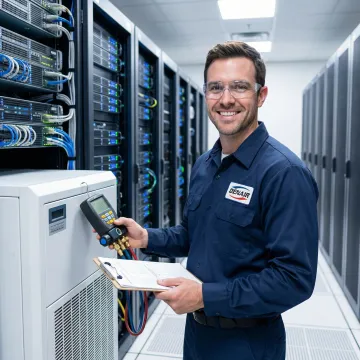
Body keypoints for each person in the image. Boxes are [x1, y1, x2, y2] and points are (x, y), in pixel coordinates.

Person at [96, 41, 319, 360]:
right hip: (198, 332)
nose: (226, 99)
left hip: (248, 342)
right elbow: (193, 235)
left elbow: (293, 279)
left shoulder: (284, 173)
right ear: (206, 95)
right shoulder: (205, 164)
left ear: (261, 95)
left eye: (239, 87)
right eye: (216, 88)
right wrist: (146, 238)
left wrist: (205, 295)